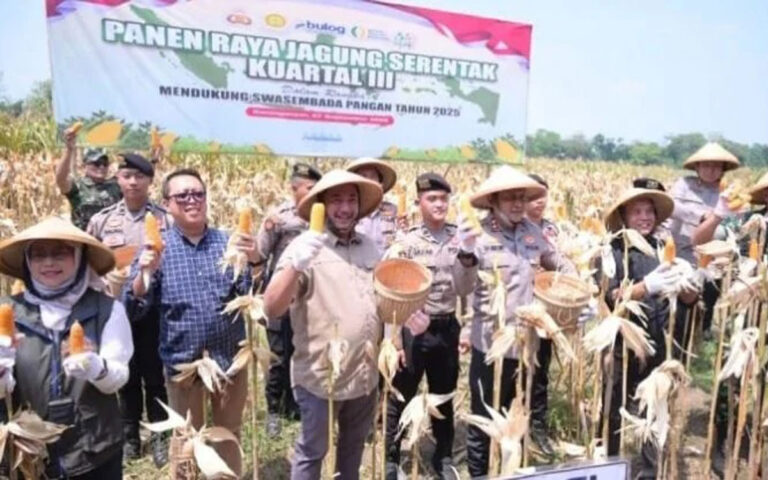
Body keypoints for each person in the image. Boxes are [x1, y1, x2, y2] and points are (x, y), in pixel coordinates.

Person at [262, 170, 429, 480]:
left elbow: (382, 302)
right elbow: (271, 307)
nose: (345, 207)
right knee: (313, 452)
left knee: (352, 451)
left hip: (364, 376)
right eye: (336, 199)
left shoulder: (370, 247)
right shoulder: (305, 248)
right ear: (322, 204)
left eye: (351, 199)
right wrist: (293, 267)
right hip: (319, 378)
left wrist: (405, 316)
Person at [122, 168, 258, 477]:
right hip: (183, 364)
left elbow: (247, 297)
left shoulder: (228, 242)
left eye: (198, 194)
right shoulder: (157, 249)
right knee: (186, 438)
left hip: (229, 362)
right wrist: (145, 274)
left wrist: (253, 260)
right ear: (167, 203)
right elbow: (132, 307)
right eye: (182, 195)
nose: (191, 200)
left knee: (229, 433)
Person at [455, 167, 575, 478]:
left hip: (527, 346)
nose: (518, 204)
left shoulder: (533, 233)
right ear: (493, 201)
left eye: (522, 198)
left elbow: (556, 260)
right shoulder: (479, 237)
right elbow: (462, 286)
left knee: (518, 417)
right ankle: (480, 474)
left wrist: (578, 283)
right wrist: (465, 253)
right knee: (484, 419)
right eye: (510, 198)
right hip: (491, 345)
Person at [0, 217, 133, 479]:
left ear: (79, 258)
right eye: (38, 255)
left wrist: (96, 367)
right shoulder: (7, 312)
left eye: (60, 253)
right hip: (26, 453)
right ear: (27, 262)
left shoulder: (107, 310)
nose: (49, 263)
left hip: (94, 451)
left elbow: (117, 379)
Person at [601, 178, 698, 479]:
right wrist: (647, 286)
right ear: (624, 216)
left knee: (655, 406)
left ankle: (650, 468)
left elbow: (689, 300)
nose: (644, 217)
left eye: (649, 212)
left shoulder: (664, 248)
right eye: (637, 211)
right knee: (613, 405)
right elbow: (610, 295)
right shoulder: (613, 250)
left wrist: (688, 287)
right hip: (624, 343)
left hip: (660, 340)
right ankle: (607, 465)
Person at [383, 173, 475, 479]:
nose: (439, 204)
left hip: (446, 327)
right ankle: (391, 458)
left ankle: (443, 456)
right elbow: (393, 292)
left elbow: (467, 288)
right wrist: (395, 342)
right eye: (432, 198)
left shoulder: (459, 238)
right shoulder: (407, 242)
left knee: (444, 395)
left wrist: (468, 325)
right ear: (419, 202)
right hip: (413, 328)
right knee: (401, 394)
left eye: (443, 198)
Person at [86, 153, 171, 466]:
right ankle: (131, 436)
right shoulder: (102, 220)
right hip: (116, 311)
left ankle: (161, 435)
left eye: (140, 176)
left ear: (150, 181)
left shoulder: (166, 219)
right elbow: (89, 264)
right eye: (127, 176)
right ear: (117, 179)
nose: (133, 182)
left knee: (156, 375)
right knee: (126, 374)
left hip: (155, 311)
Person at [256, 163, 322, 435]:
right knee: (278, 355)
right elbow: (260, 257)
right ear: (293, 188)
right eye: (306, 188)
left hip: (310, 299)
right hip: (282, 296)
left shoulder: (322, 215)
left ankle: (295, 404)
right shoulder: (278, 218)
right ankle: (274, 409)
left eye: (314, 188)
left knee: (301, 352)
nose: (310, 192)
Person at [666, 142, 740, 338]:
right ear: (697, 167)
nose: (710, 170)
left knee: (709, 289)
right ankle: (678, 328)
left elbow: (736, 217)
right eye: (706, 165)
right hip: (680, 247)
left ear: (723, 170)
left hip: (710, 252)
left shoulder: (726, 193)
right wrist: (700, 216)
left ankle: (703, 328)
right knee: (682, 289)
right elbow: (671, 206)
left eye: (716, 166)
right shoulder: (684, 184)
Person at [524, 173, 559, 458]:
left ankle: (538, 426)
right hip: (519, 311)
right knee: (516, 369)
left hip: (546, 311)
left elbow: (561, 264)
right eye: (533, 197)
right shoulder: (511, 229)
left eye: (542, 196)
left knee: (541, 371)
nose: (539, 202)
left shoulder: (551, 230)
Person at [55, 130, 122, 231]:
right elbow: (61, 179)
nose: (101, 167)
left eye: (105, 163)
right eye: (96, 163)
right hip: (85, 240)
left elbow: (141, 177)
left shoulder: (116, 185)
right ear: (84, 166)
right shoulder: (78, 186)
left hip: (110, 239)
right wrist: (69, 150)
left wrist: (153, 159)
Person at [345, 157, 400, 256]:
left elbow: (399, 242)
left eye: (372, 177)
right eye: (363, 177)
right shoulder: (348, 212)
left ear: (381, 184)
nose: (368, 181)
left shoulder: (393, 211)